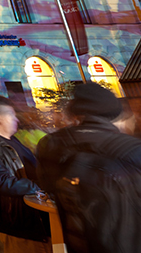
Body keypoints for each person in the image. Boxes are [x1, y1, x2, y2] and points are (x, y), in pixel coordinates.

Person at [36, 82, 141, 253]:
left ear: (75, 113)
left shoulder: (51, 145)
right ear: (114, 114)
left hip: (80, 243)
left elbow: (47, 186)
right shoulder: (133, 149)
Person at [0, 95, 49, 252]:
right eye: (11, 114)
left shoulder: (11, 140)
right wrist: (38, 186)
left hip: (32, 217)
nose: (17, 119)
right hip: (18, 221)